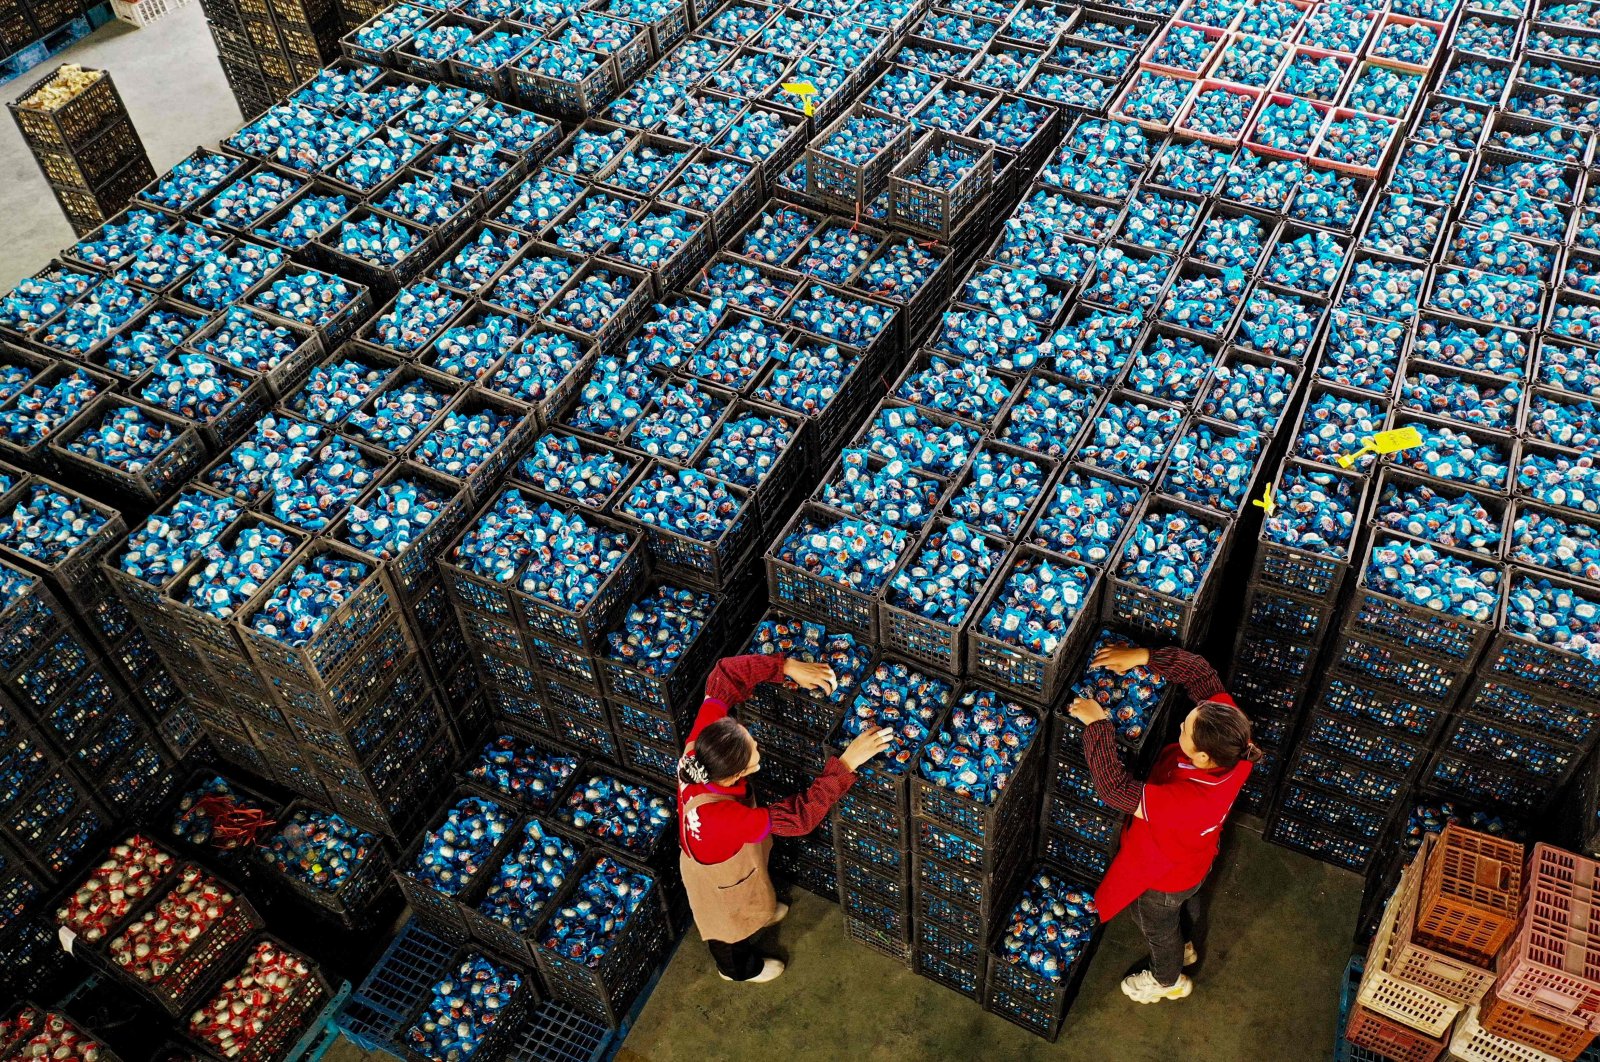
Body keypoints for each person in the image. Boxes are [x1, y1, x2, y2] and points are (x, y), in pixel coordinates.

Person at [678, 653, 893, 984]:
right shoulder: (725, 817)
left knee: (753, 884)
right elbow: (800, 818)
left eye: (750, 739)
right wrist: (846, 764)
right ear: (733, 776)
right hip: (717, 873)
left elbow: (724, 674)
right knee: (727, 928)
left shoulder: (706, 738)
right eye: (754, 755)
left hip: (733, 851)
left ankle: (759, 912)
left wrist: (786, 667)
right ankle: (737, 970)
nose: (758, 748)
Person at [1067, 642, 1262, 1006]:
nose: (1181, 723)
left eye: (1185, 729)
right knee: (1186, 903)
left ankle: (1167, 978)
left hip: (1165, 877)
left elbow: (1114, 788)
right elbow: (1199, 672)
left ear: (1202, 756)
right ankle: (1185, 941)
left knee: (1156, 923)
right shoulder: (1235, 738)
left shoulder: (1188, 802)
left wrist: (1098, 725)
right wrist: (1142, 656)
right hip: (1197, 857)